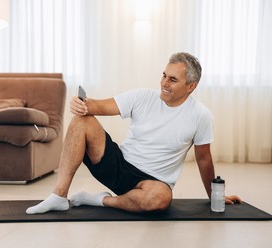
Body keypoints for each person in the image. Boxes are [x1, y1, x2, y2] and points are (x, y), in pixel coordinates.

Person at [26, 52, 241, 214]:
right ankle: (59, 196)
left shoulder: (201, 115)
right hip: (117, 164)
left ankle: (101, 200)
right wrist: (82, 104)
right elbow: (96, 106)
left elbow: (204, 159)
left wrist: (215, 196)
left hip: (150, 183)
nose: (164, 83)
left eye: (173, 80)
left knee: (162, 198)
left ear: (191, 86)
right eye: (164, 75)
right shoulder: (143, 97)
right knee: (82, 121)